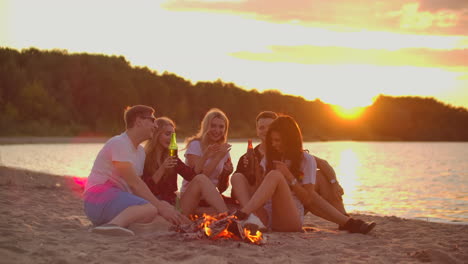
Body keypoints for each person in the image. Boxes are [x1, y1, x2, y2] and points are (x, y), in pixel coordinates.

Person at [232, 114, 376, 233]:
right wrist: (257, 175)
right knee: (237, 177)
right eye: (272, 140)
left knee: (276, 175)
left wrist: (288, 176)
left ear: (288, 139)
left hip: (290, 217)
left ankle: (242, 215)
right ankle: (249, 216)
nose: (274, 144)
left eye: (277, 140)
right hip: (267, 216)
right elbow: (261, 193)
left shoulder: (306, 160)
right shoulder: (268, 158)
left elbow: (308, 199)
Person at [83, 105, 189, 236]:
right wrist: (159, 206)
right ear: (139, 121)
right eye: (152, 120)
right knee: (150, 209)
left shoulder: (140, 152)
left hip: (118, 201)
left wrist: (164, 206)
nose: (155, 126)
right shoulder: (119, 143)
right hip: (98, 198)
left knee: (160, 213)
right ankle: (112, 226)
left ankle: (115, 224)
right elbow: (134, 183)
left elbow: (137, 189)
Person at [142, 117, 228, 216]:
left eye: (173, 135)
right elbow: (146, 189)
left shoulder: (172, 156)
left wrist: (206, 155)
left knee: (200, 178)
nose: (171, 138)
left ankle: (228, 216)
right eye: (167, 134)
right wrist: (162, 168)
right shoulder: (145, 157)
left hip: (175, 204)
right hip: (158, 205)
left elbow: (191, 175)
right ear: (156, 135)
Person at [181, 108, 234, 207]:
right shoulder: (195, 145)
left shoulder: (224, 150)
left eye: (221, 127)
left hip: (211, 198)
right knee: (226, 214)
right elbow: (200, 177)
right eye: (213, 126)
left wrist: (226, 174)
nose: (217, 130)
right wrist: (218, 157)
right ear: (206, 126)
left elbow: (222, 188)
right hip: (192, 198)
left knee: (237, 208)